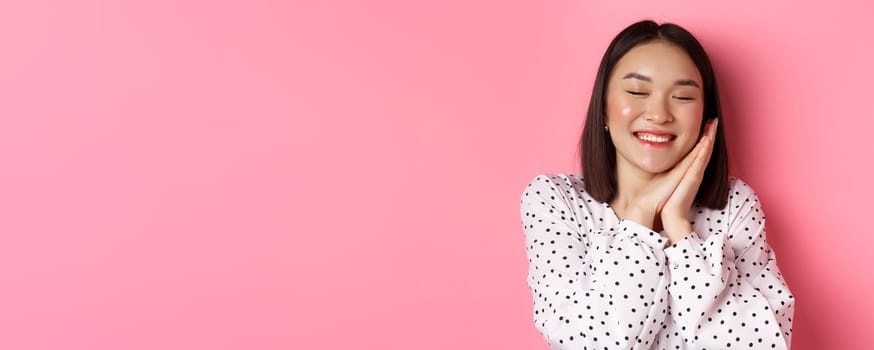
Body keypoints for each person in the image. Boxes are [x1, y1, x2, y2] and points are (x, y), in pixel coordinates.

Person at [519, 20, 795, 349]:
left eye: (682, 97)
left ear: (706, 115)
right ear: (604, 109)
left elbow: (761, 344)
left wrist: (680, 229)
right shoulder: (554, 200)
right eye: (637, 92)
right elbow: (590, 343)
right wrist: (640, 215)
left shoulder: (734, 204)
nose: (659, 113)